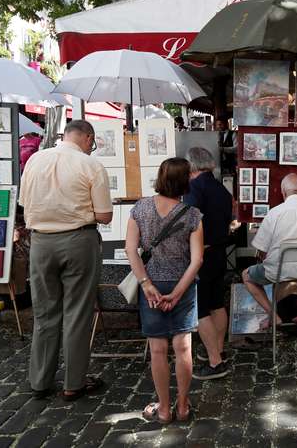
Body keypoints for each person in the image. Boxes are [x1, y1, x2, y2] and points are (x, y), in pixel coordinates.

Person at [19, 120, 113, 400]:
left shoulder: (35, 160)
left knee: (45, 313)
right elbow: (105, 216)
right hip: (77, 241)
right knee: (77, 312)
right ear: (87, 138)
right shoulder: (90, 165)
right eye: (91, 142)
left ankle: (40, 381)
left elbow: (25, 203)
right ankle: (74, 382)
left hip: (40, 242)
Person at [125, 158, 204, 423]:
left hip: (152, 286)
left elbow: (130, 250)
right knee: (183, 349)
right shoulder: (192, 215)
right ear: (185, 182)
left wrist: (146, 285)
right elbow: (197, 261)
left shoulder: (141, 208)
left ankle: (163, 410)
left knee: (157, 350)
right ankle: (183, 407)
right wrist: (180, 291)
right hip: (182, 285)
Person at [242, 174, 297, 328]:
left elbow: (261, 249)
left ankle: (274, 316)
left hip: (279, 272)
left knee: (246, 276)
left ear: (283, 192)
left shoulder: (274, 213)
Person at [184, 148, 233, 380]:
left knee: (201, 307)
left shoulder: (195, 187)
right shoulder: (221, 188)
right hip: (219, 252)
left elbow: (191, 219)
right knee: (216, 303)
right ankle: (219, 350)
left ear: (191, 166)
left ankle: (215, 362)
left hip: (202, 253)